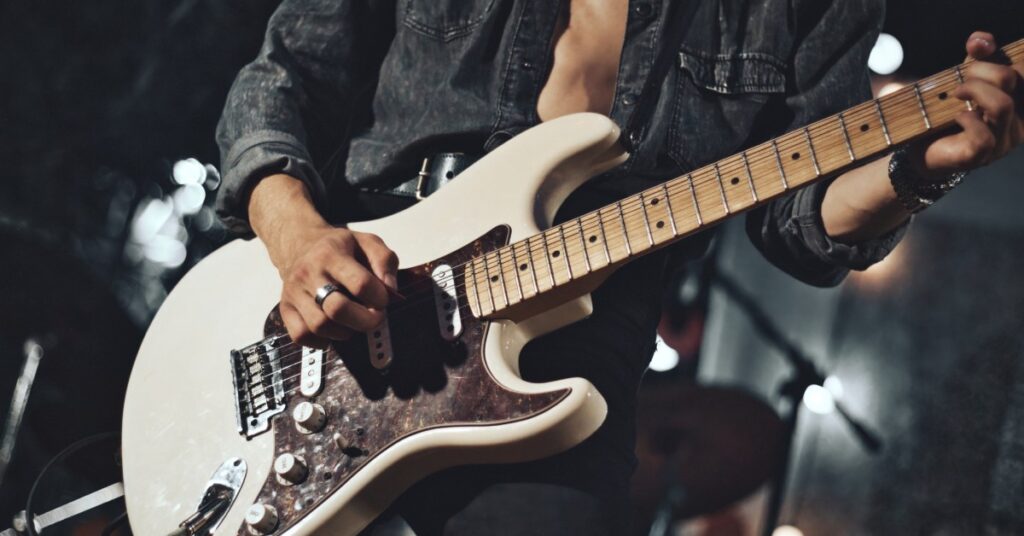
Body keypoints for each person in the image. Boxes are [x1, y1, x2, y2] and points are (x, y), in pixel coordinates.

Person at [215, 1, 1022, 533]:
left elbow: (800, 224)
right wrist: (298, 238)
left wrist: (917, 170)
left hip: (579, 352)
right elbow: (284, 76)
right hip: (356, 283)